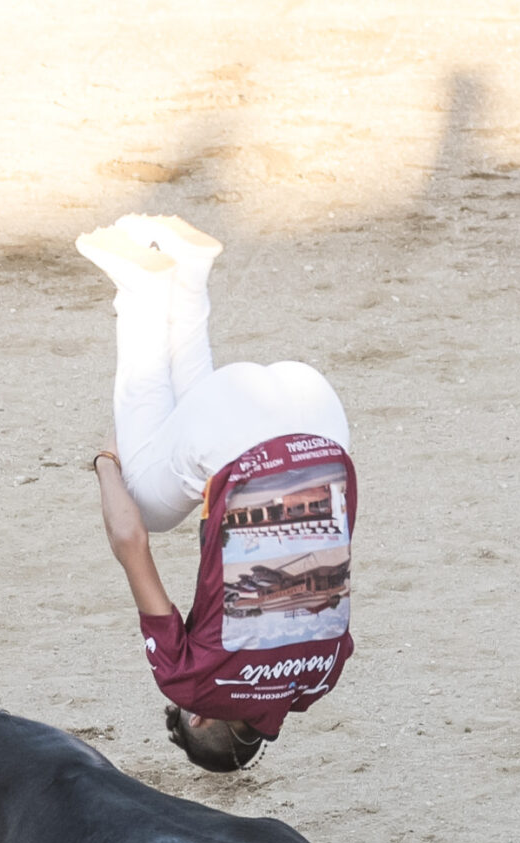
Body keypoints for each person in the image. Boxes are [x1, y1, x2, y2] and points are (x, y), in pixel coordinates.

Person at [79, 215, 358, 773]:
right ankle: (140, 286)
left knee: (196, 448)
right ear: (200, 717)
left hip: (320, 417)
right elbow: (129, 539)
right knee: (148, 500)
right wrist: (107, 464)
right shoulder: (191, 683)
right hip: (236, 430)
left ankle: (190, 273)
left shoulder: (324, 676)